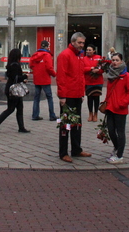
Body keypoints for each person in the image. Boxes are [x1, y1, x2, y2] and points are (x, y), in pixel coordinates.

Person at [56, 32, 91, 163]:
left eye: (83, 43)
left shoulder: (79, 56)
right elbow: (61, 77)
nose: (82, 45)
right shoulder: (65, 55)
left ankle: (76, 149)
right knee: (65, 125)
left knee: (77, 124)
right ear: (73, 42)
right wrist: (62, 95)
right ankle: (63, 152)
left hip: (77, 95)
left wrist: (82, 93)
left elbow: (81, 76)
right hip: (68, 96)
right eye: (80, 43)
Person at [104, 52, 129, 164]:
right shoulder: (110, 75)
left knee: (120, 132)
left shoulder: (127, 76)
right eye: (113, 60)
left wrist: (123, 103)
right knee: (111, 131)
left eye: (117, 60)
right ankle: (117, 148)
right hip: (110, 107)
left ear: (122, 61)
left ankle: (119, 155)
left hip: (120, 108)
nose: (115, 62)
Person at [0, 48, 30, 133]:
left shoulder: (10, 65)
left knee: (19, 108)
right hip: (14, 90)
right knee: (11, 109)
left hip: (12, 89)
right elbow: (16, 78)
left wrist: (22, 78)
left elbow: (13, 77)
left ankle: (21, 127)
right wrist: (25, 76)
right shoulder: (15, 65)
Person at [29, 40, 57, 121]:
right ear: (47, 46)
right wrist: (54, 74)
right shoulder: (47, 55)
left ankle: (35, 115)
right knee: (49, 97)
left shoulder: (35, 54)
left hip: (37, 78)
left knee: (36, 97)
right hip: (45, 79)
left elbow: (31, 65)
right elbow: (49, 67)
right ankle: (52, 115)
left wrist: (37, 70)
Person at [82, 44, 103, 122]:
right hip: (88, 82)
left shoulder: (98, 58)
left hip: (97, 81)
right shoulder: (84, 59)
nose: (88, 51)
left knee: (96, 98)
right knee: (90, 98)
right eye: (87, 50)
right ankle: (90, 113)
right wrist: (90, 68)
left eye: (90, 50)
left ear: (94, 50)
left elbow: (103, 69)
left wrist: (98, 70)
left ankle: (96, 114)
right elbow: (82, 68)